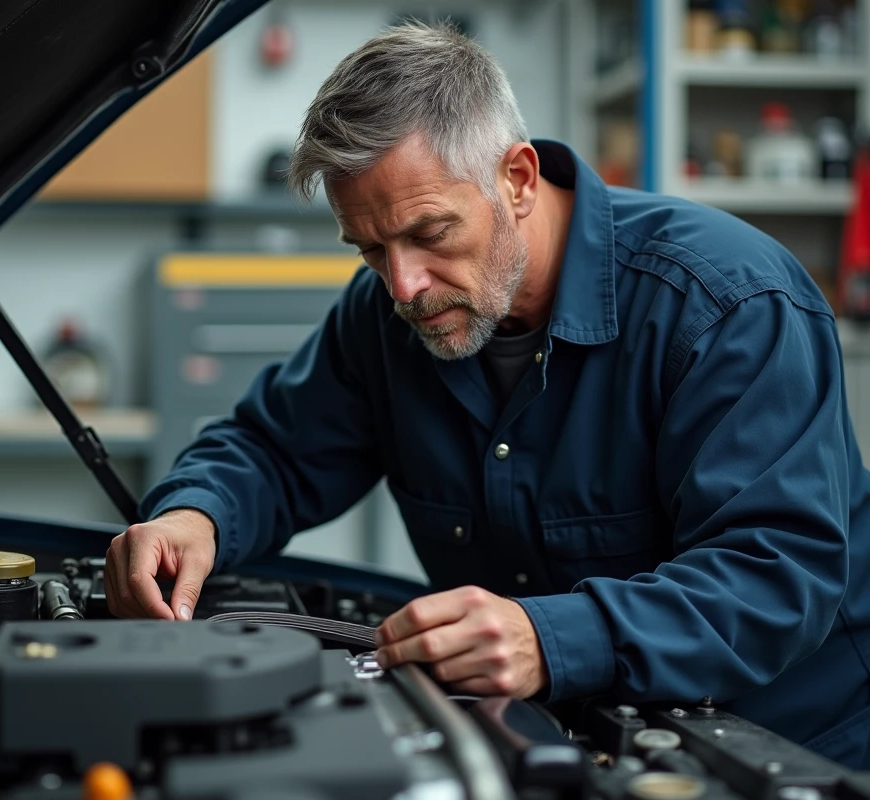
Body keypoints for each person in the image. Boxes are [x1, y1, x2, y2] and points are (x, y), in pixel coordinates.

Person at [104, 22, 870, 767]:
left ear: (519, 179)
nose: (403, 285)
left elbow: (774, 575)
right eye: (370, 248)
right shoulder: (386, 315)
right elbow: (273, 450)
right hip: (563, 739)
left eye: (430, 233)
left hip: (790, 743)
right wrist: (193, 513)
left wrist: (552, 638)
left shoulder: (726, 306)